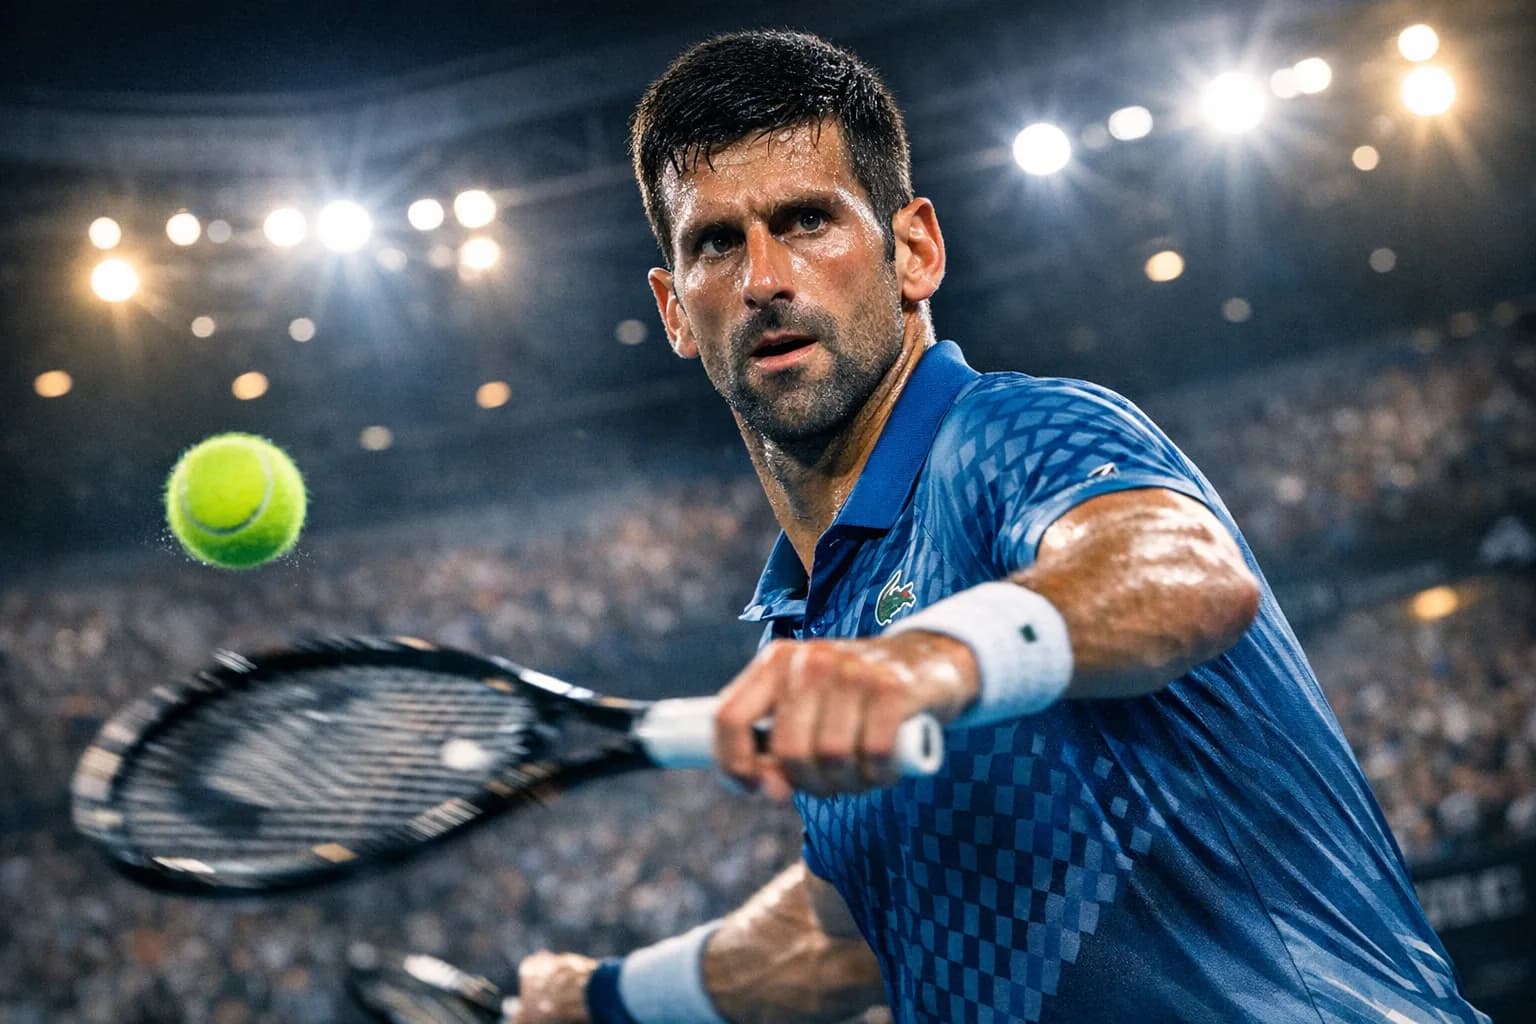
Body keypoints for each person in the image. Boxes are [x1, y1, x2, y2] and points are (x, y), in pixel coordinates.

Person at [364, 28, 1488, 1024]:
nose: (763, 278)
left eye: (807, 220)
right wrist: (602, 997)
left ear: (915, 250)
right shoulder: (803, 637)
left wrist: (918, 662)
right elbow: (833, 940)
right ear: (672, 308)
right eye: (715, 243)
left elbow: (1182, 568)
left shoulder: (1013, 435)